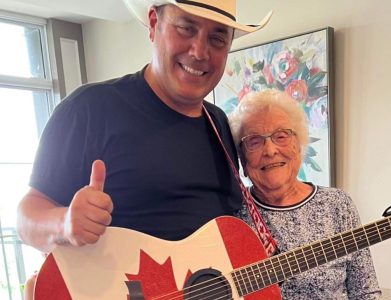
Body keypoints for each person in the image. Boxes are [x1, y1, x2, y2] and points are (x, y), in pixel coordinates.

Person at [16, 0, 272, 253]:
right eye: (186, 28)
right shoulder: (88, 108)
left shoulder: (218, 123)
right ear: (153, 23)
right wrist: (65, 223)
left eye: (217, 39)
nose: (199, 52)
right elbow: (26, 220)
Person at [229, 89, 381, 299]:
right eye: (254, 141)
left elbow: (366, 291)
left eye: (281, 136)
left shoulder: (337, 204)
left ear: (298, 147)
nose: (270, 150)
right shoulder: (231, 215)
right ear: (242, 159)